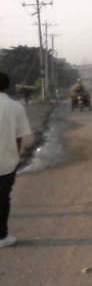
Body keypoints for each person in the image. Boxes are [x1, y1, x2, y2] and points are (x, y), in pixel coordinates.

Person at [0, 72, 32, 248]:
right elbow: (19, 137)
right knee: (3, 199)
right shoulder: (15, 107)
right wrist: (16, 155)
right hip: (6, 162)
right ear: (7, 86)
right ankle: (2, 237)